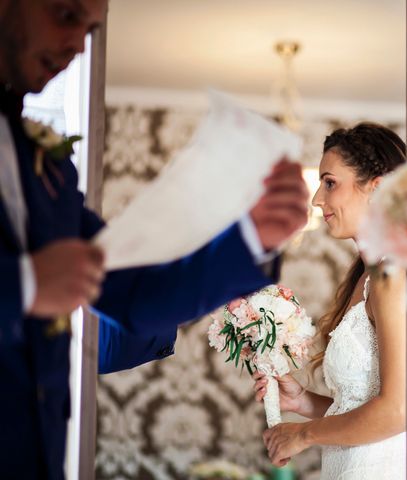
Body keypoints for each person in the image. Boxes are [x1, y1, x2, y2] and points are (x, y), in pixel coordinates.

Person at [0, 0, 309, 478]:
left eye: (90, 29)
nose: (77, 45)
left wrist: (254, 235)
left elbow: (136, 297)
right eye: (65, 16)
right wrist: (23, 285)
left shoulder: (48, 167)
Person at [253, 123, 407, 479]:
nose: (316, 200)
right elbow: (360, 408)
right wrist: (302, 401)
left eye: (330, 183)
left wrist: (302, 435)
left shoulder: (392, 276)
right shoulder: (366, 278)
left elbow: (398, 411)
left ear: (377, 187)